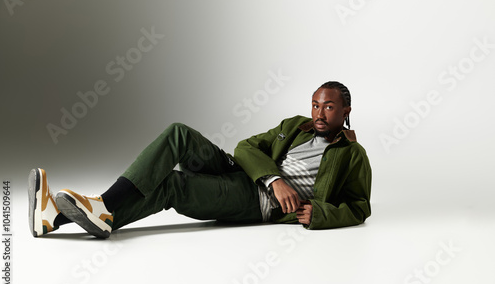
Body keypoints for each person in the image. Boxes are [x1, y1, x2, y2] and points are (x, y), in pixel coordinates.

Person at [28, 81, 372, 239]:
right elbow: (245, 147)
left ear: (346, 111)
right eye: (316, 104)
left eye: (328, 106)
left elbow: (359, 206)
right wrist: (274, 178)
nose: (319, 113)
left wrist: (321, 214)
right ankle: (102, 208)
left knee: (173, 185)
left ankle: (59, 219)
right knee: (179, 133)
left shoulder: (353, 156)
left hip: (258, 203)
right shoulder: (294, 126)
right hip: (251, 177)